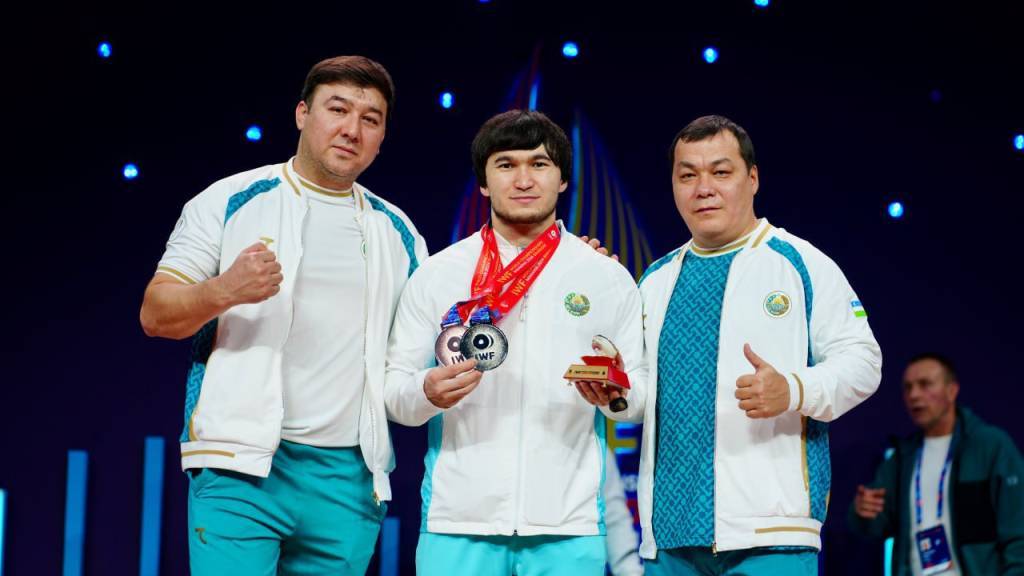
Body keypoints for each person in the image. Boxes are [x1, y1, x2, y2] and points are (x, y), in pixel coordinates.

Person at [139, 55, 427, 575]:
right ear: (301, 114)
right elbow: (156, 315)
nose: (352, 129)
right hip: (240, 468)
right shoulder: (229, 200)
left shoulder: (399, 233)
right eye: (337, 109)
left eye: (370, 119)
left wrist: (570, 264)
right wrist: (224, 290)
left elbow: (435, 335)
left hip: (349, 481)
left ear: (382, 137)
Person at [579, 114, 883, 574]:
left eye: (720, 172)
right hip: (669, 538)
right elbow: (640, 394)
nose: (704, 188)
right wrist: (615, 392)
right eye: (688, 176)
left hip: (771, 534)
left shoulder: (799, 263)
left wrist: (793, 389)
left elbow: (863, 361)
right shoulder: (656, 280)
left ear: (752, 178)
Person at [383, 109, 646, 575]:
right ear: (483, 182)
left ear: (563, 179)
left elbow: (640, 397)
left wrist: (617, 395)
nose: (523, 179)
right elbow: (393, 393)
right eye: (506, 164)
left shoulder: (606, 277)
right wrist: (426, 391)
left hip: (569, 526)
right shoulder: (438, 274)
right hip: (456, 522)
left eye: (539, 164)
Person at [849, 353, 1024, 575]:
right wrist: (863, 511)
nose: (914, 395)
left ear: (952, 391)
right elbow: (874, 528)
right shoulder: (902, 458)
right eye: (908, 387)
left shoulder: (990, 446)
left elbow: (1017, 531)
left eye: (925, 384)